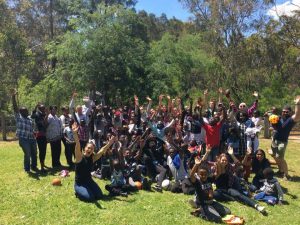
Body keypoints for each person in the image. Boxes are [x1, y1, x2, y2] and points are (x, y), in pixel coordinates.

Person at [72, 122, 116, 202]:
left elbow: (102, 150)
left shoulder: (93, 158)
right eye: (88, 148)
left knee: (100, 196)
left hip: (89, 181)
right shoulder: (79, 157)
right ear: (85, 148)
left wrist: (109, 143)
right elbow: (77, 145)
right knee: (90, 198)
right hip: (80, 183)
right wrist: (75, 134)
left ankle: (88, 189)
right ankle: (77, 192)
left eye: (91, 149)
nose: (90, 150)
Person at [190, 156, 231, 223]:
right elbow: (191, 175)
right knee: (218, 219)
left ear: (207, 174)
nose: (203, 176)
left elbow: (219, 173)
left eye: (205, 174)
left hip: (211, 202)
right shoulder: (197, 182)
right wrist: (196, 164)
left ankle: (206, 210)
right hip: (203, 204)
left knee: (228, 212)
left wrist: (218, 164)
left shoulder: (209, 179)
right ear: (198, 174)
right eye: (201, 174)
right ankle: (199, 213)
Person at [269, 97, 300, 181]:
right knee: (274, 155)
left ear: (290, 113)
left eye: (287, 112)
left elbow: (297, 115)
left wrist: (297, 104)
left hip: (282, 142)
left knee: (280, 158)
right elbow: (274, 125)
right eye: (283, 111)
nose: (285, 113)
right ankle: (280, 171)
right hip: (274, 140)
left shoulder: (290, 120)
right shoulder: (278, 118)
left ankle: (287, 175)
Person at [11, 89, 38, 172]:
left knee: (34, 153)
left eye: (26, 111)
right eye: (25, 111)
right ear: (21, 112)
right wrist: (13, 97)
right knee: (28, 153)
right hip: (23, 139)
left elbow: (33, 114)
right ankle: (27, 169)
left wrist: (36, 107)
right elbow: (15, 107)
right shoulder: (19, 118)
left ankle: (34, 166)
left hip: (32, 139)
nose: (27, 112)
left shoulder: (29, 118)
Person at [31, 103, 48, 172]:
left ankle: (43, 164)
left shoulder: (44, 114)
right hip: (39, 135)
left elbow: (46, 124)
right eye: (42, 108)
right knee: (41, 150)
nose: (43, 109)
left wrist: (47, 114)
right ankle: (41, 166)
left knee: (44, 150)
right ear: (39, 109)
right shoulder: (37, 115)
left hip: (44, 135)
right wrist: (35, 107)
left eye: (44, 108)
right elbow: (32, 116)